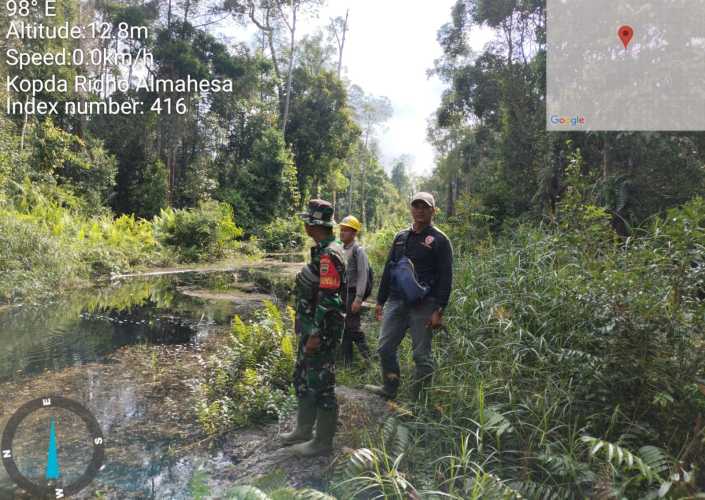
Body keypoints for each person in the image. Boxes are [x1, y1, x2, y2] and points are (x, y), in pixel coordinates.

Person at [365, 192, 453, 401]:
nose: (420, 210)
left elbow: (446, 277)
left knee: (421, 356)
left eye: (425, 207)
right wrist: (380, 300)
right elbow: (389, 269)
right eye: (416, 206)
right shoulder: (401, 237)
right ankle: (390, 388)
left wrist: (439, 309)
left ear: (433, 210)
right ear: (411, 208)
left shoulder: (440, 240)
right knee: (385, 348)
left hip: (424, 305)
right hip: (396, 301)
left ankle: (420, 403)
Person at [280, 199, 347, 456]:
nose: (304, 224)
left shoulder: (330, 254)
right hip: (311, 329)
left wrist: (316, 334)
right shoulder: (322, 249)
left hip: (322, 332)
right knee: (303, 378)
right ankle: (303, 430)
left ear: (313, 224)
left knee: (321, 383)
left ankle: (322, 442)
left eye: (307, 220)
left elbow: (330, 300)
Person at [338, 215, 372, 365]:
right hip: (343, 294)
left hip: (352, 294)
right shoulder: (340, 249)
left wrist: (358, 299)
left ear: (353, 233)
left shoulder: (359, 251)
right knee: (345, 327)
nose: (342, 233)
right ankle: (347, 362)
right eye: (342, 229)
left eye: (346, 230)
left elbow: (363, 275)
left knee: (353, 327)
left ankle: (369, 359)